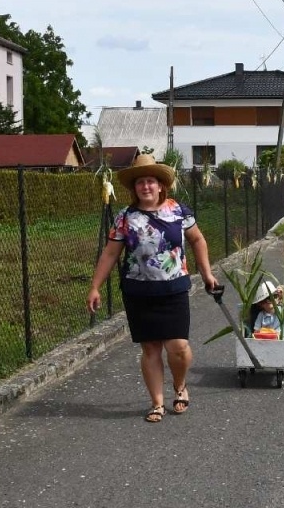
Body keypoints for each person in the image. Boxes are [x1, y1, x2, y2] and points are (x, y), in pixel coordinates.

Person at [87, 153, 219, 422]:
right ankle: (157, 403)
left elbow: (197, 240)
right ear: (134, 188)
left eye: (150, 181)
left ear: (160, 185)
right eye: (140, 182)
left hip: (174, 289)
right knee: (150, 349)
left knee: (178, 346)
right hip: (139, 292)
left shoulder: (179, 211)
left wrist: (207, 273)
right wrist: (95, 286)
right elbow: (110, 253)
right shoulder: (125, 217)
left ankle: (180, 385)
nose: (145, 186)